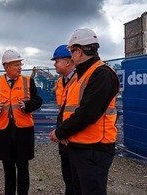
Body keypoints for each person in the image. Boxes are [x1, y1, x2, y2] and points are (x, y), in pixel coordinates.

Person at [49, 28, 120, 195]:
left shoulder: (102, 74)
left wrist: (60, 133)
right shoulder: (81, 76)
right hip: (79, 145)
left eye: (71, 51)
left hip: (95, 148)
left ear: (79, 51)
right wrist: (64, 133)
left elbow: (88, 112)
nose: (71, 57)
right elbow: (67, 110)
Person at [0, 49, 42, 195]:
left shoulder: (28, 81)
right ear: (6, 66)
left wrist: (28, 105)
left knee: (23, 166)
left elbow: (38, 100)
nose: (20, 67)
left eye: (20, 64)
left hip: (23, 131)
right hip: (4, 132)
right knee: (8, 167)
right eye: (16, 65)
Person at [51, 44, 76, 195]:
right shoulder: (60, 82)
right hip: (64, 137)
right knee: (68, 178)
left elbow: (80, 111)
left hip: (77, 137)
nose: (54, 64)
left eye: (57, 60)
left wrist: (65, 132)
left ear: (68, 61)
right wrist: (61, 132)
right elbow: (62, 111)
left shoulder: (81, 79)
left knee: (78, 180)